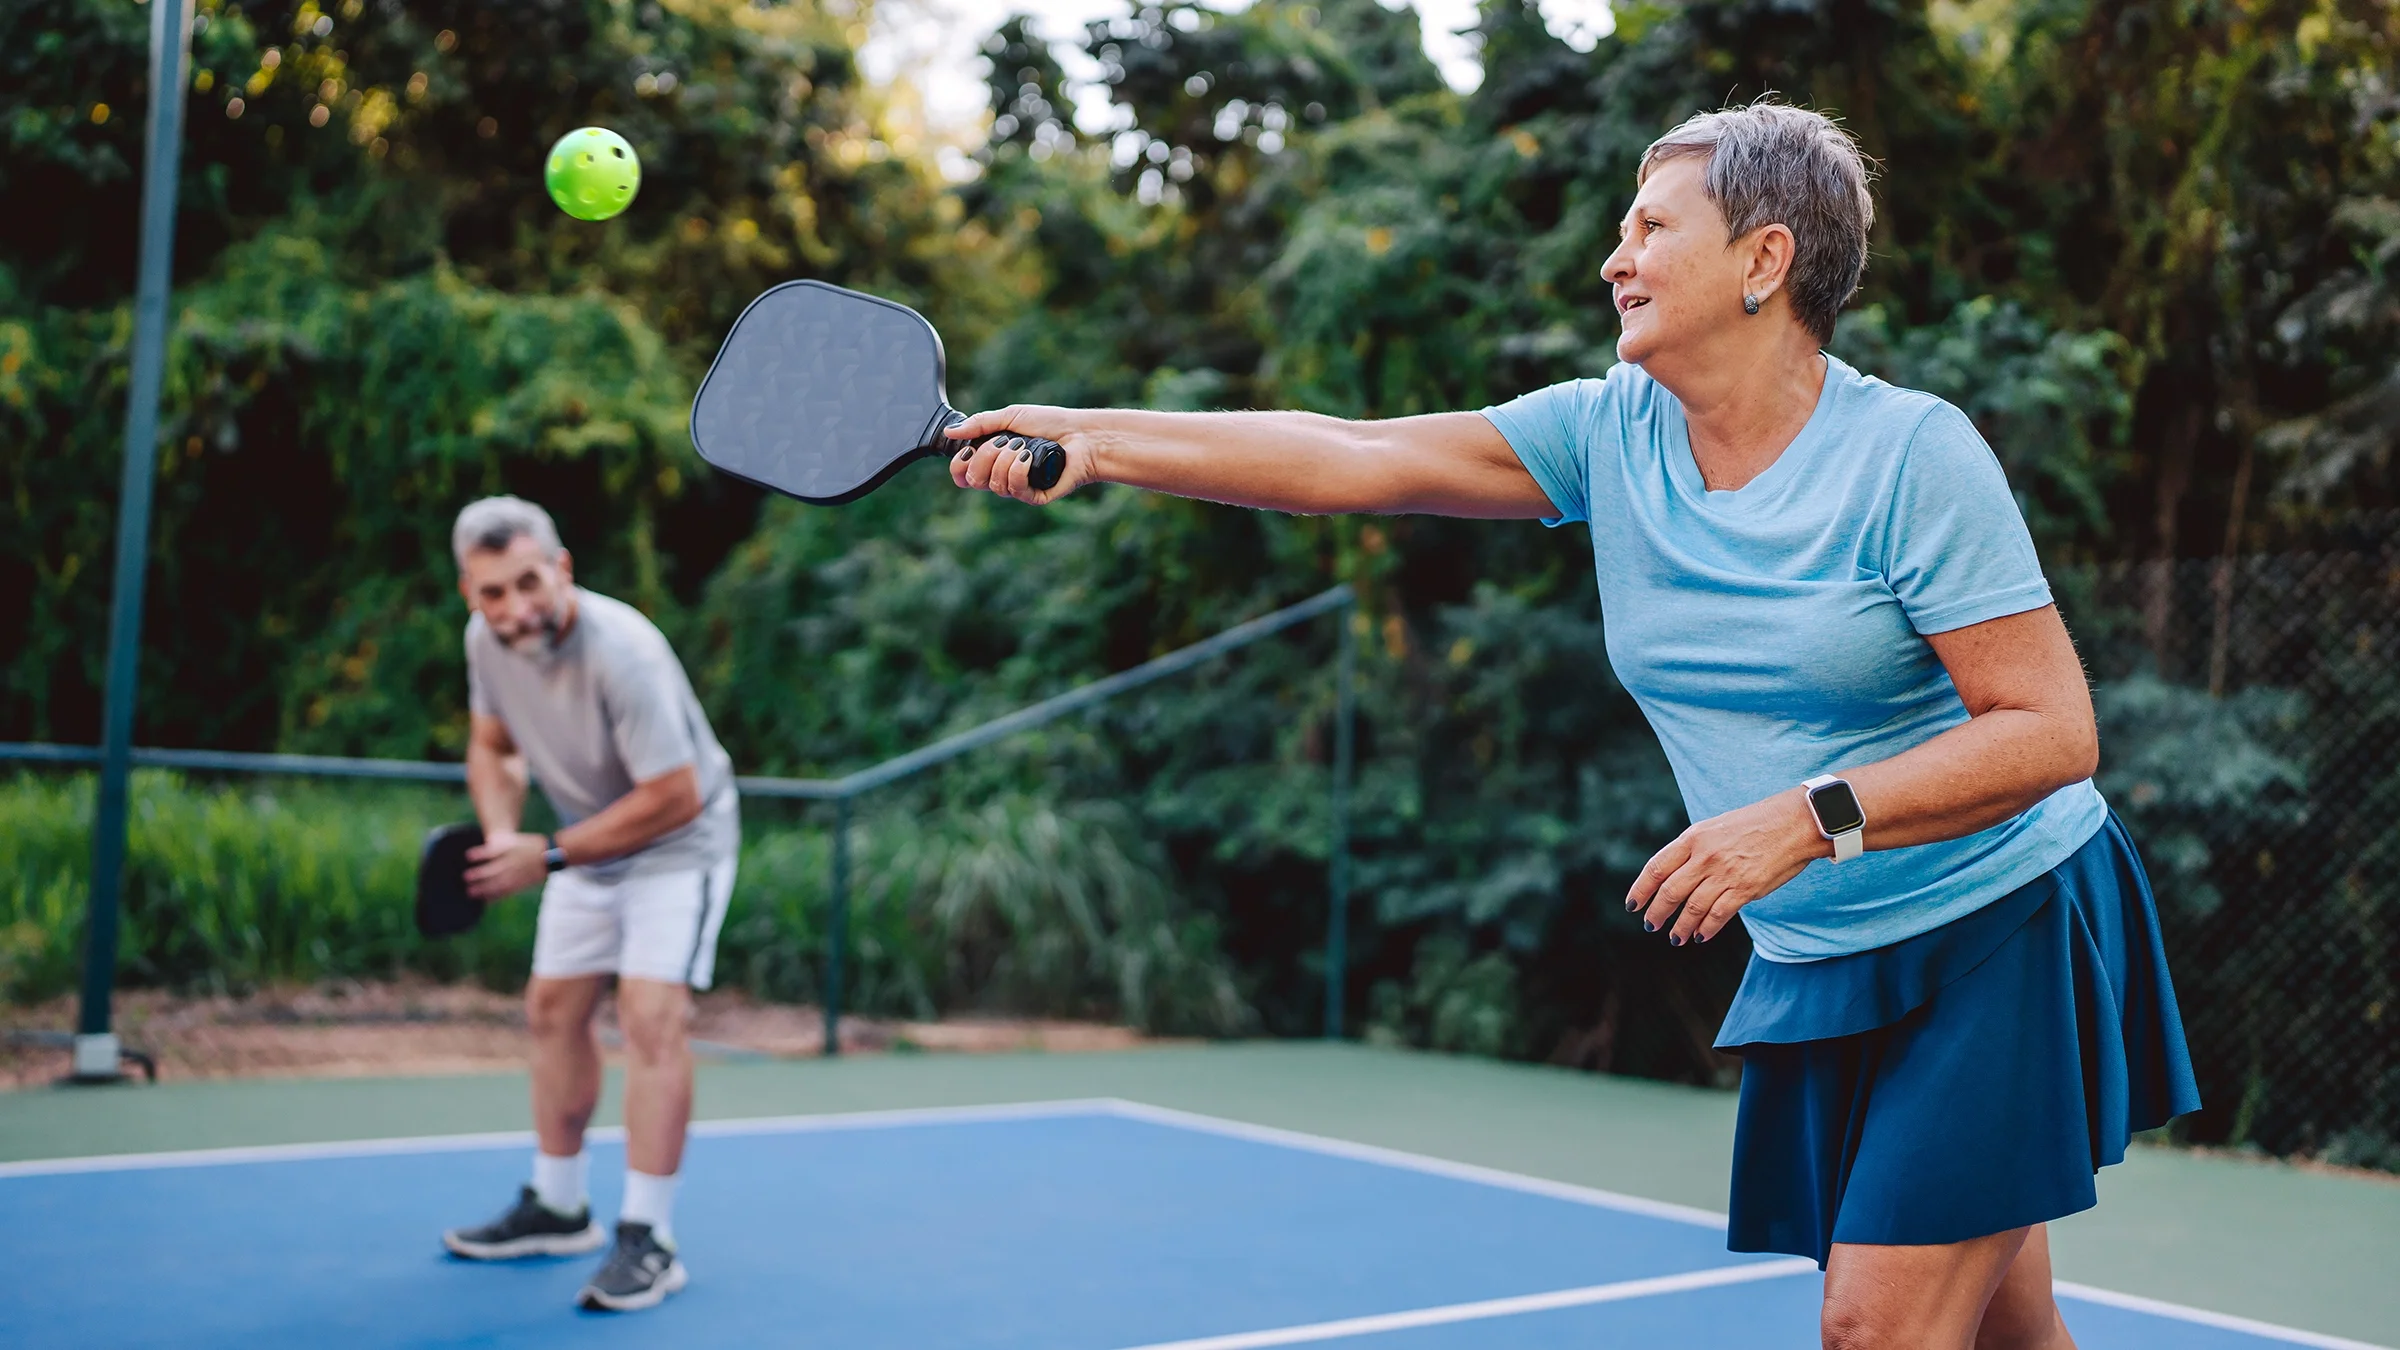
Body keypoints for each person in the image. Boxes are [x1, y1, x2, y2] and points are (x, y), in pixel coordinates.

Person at [945, 101, 2200, 1350]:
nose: (1616, 260)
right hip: (1829, 954)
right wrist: (1093, 438)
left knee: (1876, 1327)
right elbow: (1351, 454)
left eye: (1652, 227)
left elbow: (2050, 730)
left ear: (1764, 260)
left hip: (2002, 928)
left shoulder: (1913, 458)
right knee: (2012, 1337)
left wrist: (1813, 821)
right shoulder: (1610, 435)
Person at [436, 495, 740, 1314]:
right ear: (470, 593)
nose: (515, 607)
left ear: (562, 569)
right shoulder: (487, 644)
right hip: (578, 844)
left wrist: (549, 857)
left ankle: (648, 1238)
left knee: (650, 1017)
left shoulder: (625, 650)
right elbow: (493, 745)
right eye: (493, 592)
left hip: (680, 845)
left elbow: (674, 796)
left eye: (528, 582)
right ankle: (559, 1204)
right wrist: (504, 835)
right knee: (551, 1010)